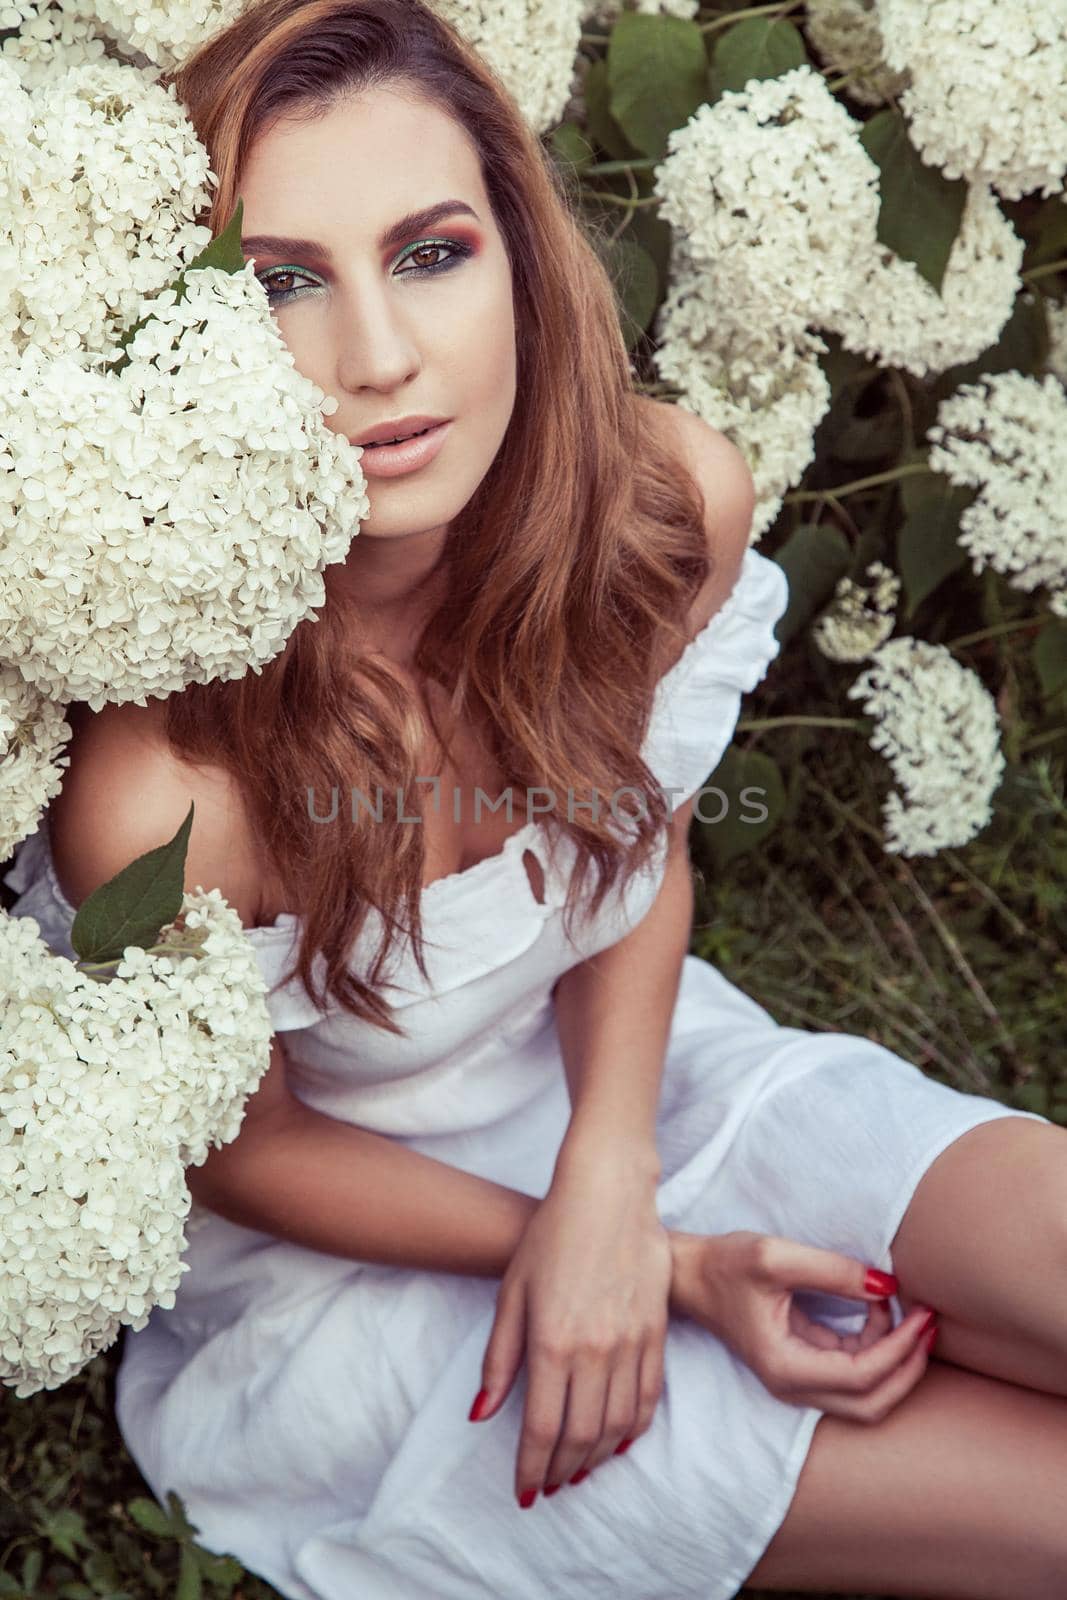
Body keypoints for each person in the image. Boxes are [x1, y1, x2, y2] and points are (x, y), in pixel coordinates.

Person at [6, 1, 1067, 1595]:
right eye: (285, 281)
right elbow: (247, 1147)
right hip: (349, 1260)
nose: (376, 359)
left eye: (431, 252)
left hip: (634, 1072)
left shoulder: (662, 509)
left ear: (522, 252)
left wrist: (612, 1170)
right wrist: (630, 1263)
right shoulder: (165, 787)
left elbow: (642, 854)